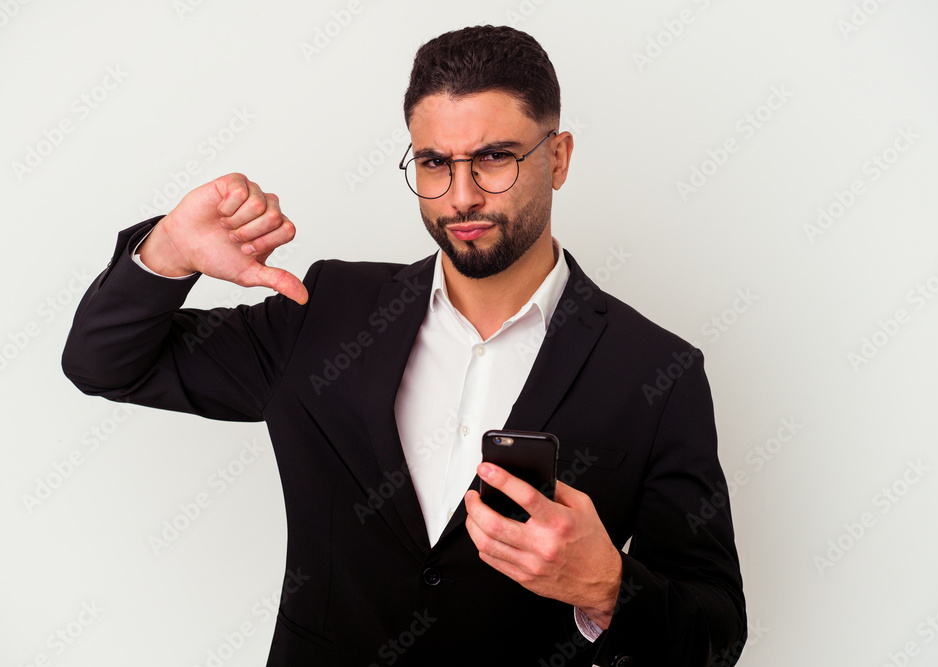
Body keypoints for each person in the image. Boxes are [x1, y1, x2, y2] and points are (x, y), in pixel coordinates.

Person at [63, 25, 746, 667]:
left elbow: (716, 632)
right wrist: (168, 252)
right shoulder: (325, 311)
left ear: (558, 157)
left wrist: (607, 585)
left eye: (494, 159)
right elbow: (106, 364)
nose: (461, 197)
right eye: (434, 163)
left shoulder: (658, 372)